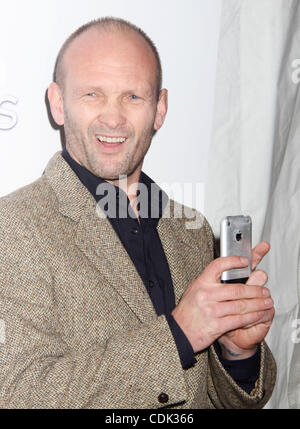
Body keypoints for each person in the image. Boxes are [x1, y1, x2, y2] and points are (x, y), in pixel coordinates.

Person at [0, 17, 276, 409]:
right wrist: (179, 336)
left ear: (159, 109)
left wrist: (236, 353)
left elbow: (214, 398)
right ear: (58, 104)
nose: (113, 118)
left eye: (133, 97)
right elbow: (17, 395)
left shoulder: (192, 229)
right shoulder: (13, 226)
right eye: (93, 94)